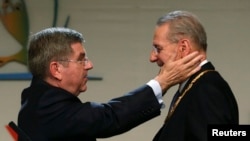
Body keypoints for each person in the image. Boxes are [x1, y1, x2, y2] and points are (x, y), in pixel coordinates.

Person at [17, 27, 202, 141]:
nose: (89, 65)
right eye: (81, 59)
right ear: (56, 69)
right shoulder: (46, 106)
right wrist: (162, 81)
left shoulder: (36, 99)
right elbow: (108, 117)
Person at [150, 10, 239, 141]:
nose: (152, 57)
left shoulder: (206, 90)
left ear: (183, 48)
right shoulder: (195, 87)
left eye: (158, 48)